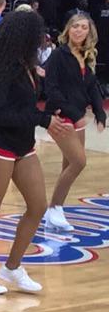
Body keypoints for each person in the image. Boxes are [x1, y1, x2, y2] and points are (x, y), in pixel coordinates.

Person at [0, 11, 72, 295]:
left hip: (23, 146)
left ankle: (11, 268)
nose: (41, 39)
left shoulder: (27, 65)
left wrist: (51, 113)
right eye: (37, 34)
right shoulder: (6, 67)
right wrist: (42, 119)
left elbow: (26, 108)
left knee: (37, 207)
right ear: (23, 36)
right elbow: (1, 114)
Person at [41, 13, 106, 232]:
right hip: (60, 116)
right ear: (68, 29)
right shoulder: (59, 55)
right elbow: (51, 88)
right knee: (79, 162)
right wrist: (73, 114)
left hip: (77, 116)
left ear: (90, 32)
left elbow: (92, 87)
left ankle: (54, 214)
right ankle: (54, 208)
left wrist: (100, 113)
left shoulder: (86, 56)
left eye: (84, 27)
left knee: (68, 165)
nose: (79, 30)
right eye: (75, 26)